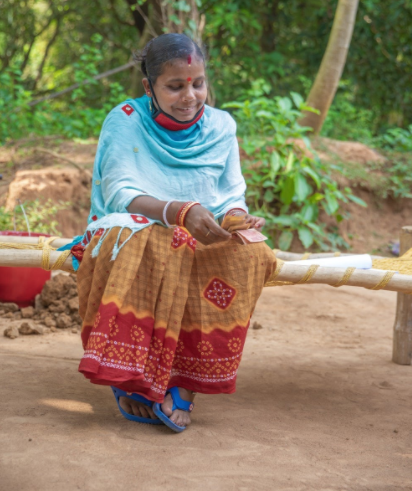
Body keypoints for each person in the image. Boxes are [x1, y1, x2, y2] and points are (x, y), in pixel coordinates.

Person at [76, 33, 276, 432]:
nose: (190, 96)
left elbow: (230, 193)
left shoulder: (221, 125)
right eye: (175, 86)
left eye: (198, 83)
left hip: (200, 230)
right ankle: (135, 375)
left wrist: (237, 218)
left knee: (253, 254)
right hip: (138, 224)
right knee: (159, 243)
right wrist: (177, 212)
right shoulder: (126, 120)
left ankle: (186, 381)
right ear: (149, 87)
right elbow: (119, 193)